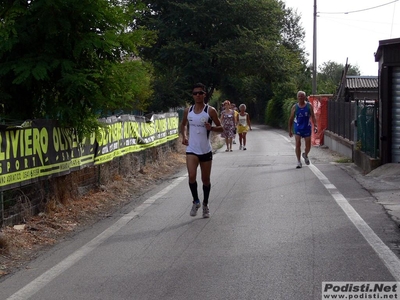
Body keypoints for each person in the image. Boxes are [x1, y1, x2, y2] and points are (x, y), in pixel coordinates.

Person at [181, 83, 223, 218]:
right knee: (192, 176)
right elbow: (183, 125)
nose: (197, 95)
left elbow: (221, 128)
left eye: (200, 93)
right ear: (192, 96)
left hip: (205, 150)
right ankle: (196, 201)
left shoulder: (210, 111)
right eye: (195, 93)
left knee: (205, 179)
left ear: (204, 94)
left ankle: (205, 204)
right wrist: (185, 136)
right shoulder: (188, 111)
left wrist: (211, 128)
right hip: (192, 149)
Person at [288, 91, 318, 169]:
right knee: (298, 144)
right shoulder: (295, 107)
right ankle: (298, 161)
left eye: (302, 96)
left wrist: (315, 126)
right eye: (299, 96)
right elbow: (291, 119)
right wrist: (290, 130)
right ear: (297, 97)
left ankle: (305, 154)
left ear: (305, 97)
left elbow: (313, 116)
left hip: (307, 127)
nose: (300, 98)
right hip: (297, 127)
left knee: (308, 145)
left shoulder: (309, 106)